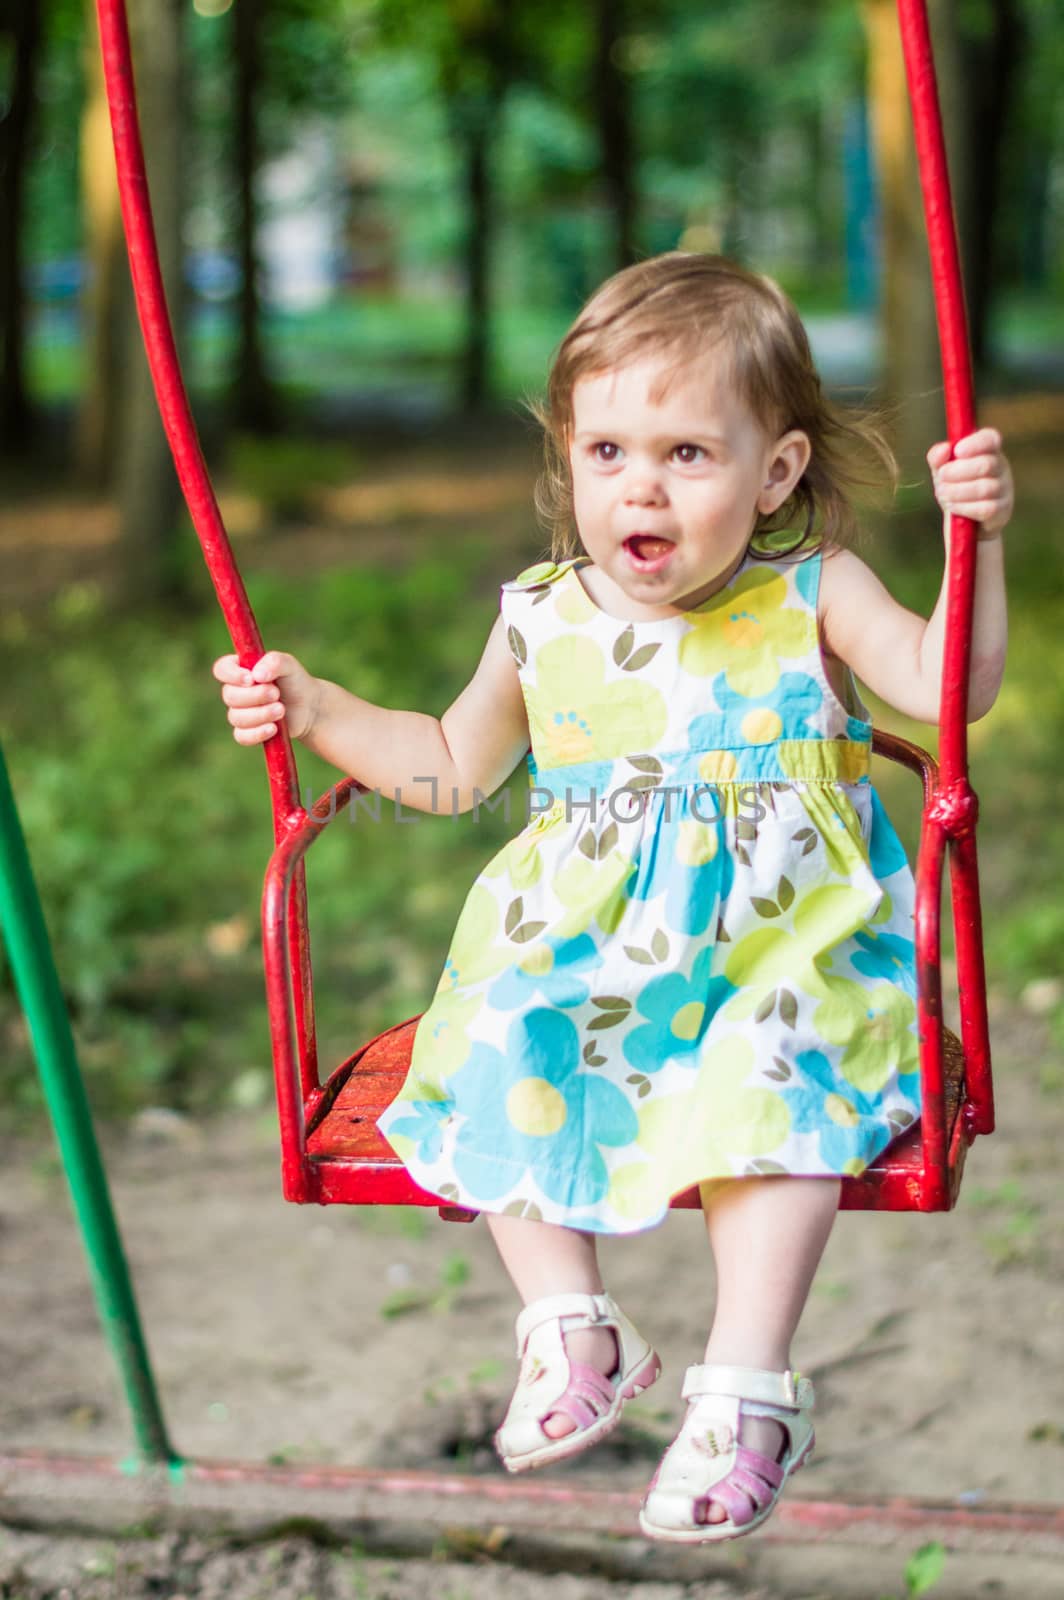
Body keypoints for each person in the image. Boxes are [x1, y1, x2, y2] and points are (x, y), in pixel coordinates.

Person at [213, 254, 1011, 1544]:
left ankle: (746, 1391)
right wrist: (316, 711)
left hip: (784, 957)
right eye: (607, 451)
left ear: (779, 474)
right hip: (592, 961)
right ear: (571, 460)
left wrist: (979, 543)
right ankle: (571, 1330)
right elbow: (450, 764)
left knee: (772, 1074)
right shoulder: (542, 618)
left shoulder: (813, 596)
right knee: (492, 1032)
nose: (639, 485)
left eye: (688, 453)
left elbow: (948, 684)